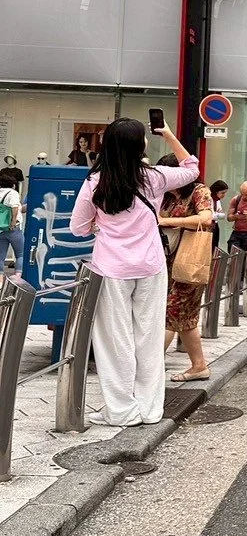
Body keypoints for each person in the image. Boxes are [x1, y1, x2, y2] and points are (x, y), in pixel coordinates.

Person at [70, 120, 199, 426]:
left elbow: (76, 228)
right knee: (150, 336)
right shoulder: (154, 178)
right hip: (151, 266)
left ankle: (121, 410)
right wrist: (167, 132)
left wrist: (98, 226)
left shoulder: (95, 182)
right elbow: (192, 167)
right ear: (140, 145)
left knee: (115, 340)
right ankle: (150, 408)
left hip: (111, 268)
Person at [157, 159, 214, 383]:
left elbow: (206, 218)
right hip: (166, 263)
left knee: (171, 311)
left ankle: (146, 368)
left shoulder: (199, 191)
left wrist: (169, 221)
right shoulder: (165, 195)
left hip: (190, 262)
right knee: (185, 317)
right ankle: (199, 366)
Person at [0, 166, 24, 274]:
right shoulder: (12, 193)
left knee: (1, 257)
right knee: (20, 254)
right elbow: (15, 207)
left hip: (1, 229)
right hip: (13, 229)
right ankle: (17, 278)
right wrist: (13, 222)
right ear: (13, 184)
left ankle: (0, 280)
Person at [208, 180, 229, 249]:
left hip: (215, 226)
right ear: (216, 191)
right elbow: (209, 216)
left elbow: (221, 214)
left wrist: (217, 214)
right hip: (208, 226)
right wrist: (217, 214)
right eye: (222, 193)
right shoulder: (208, 199)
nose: (224, 195)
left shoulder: (217, 200)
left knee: (215, 246)